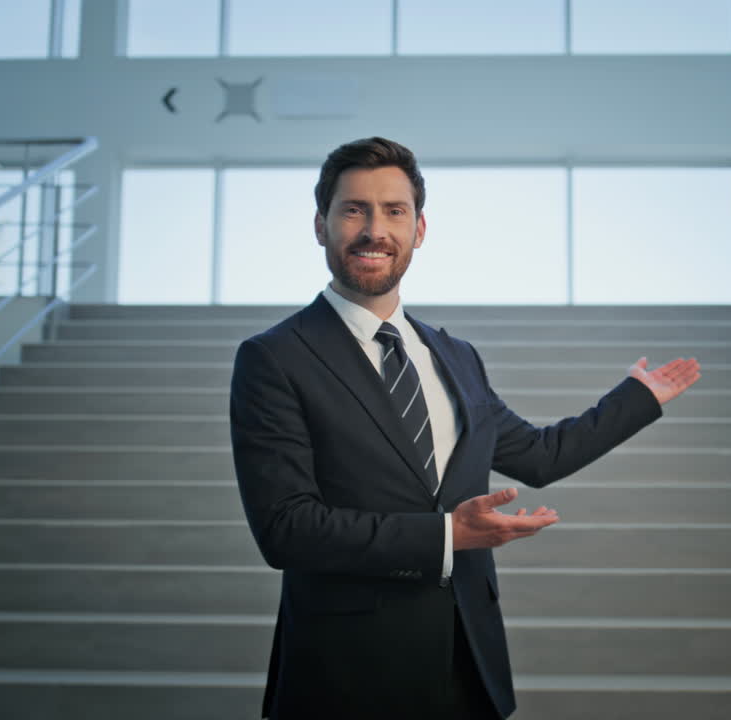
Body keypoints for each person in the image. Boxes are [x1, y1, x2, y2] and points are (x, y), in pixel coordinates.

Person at [229, 136, 701, 719]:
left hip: (468, 668)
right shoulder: (274, 358)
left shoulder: (456, 355)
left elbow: (538, 455)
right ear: (321, 226)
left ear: (419, 230)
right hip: (344, 676)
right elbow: (286, 529)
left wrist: (636, 400)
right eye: (354, 209)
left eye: (394, 211)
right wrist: (447, 536)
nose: (375, 229)